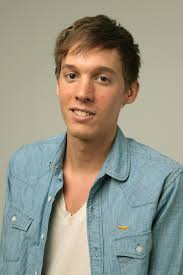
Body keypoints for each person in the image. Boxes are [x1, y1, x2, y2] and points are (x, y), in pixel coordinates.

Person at [0, 14, 183, 275]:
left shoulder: (164, 183)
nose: (83, 93)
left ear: (130, 92)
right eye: (72, 75)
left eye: (102, 79)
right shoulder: (24, 165)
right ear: (57, 83)